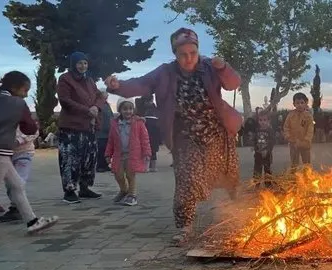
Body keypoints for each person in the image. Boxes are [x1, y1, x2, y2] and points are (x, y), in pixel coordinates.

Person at [105, 27, 242, 245]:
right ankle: (184, 226)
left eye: (193, 53)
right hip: (186, 135)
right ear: (175, 54)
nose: (188, 59)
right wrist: (118, 86)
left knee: (227, 176)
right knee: (187, 179)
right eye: (183, 54)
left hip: (217, 132)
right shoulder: (165, 72)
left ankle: (238, 215)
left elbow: (234, 83)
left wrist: (223, 67)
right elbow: (141, 84)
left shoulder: (209, 67)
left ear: (198, 51)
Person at [0, 71, 59, 245]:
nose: (26, 94)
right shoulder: (18, 104)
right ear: (14, 88)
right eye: (25, 90)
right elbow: (29, 129)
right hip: (0, 150)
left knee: (17, 185)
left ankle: (32, 222)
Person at [57, 52, 105, 203]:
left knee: (89, 159)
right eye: (79, 63)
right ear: (73, 64)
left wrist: (96, 107)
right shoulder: (65, 79)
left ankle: (85, 187)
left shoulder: (90, 80)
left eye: (85, 63)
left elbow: (99, 96)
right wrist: (86, 110)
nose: (83, 66)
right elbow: (65, 100)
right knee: (70, 159)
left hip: (89, 126)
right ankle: (69, 191)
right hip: (71, 127)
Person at [104, 100, 151, 206]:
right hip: (119, 154)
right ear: (120, 110)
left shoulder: (139, 123)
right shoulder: (115, 124)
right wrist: (108, 154)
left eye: (130, 109)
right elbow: (111, 140)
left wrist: (147, 152)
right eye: (125, 109)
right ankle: (124, 190)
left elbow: (145, 139)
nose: (128, 111)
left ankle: (132, 194)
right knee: (118, 174)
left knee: (131, 175)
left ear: (133, 110)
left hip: (133, 154)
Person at [0, 127, 39, 223]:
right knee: (9, 183)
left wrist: (19, 140)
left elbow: (34, 131)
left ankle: (18, 208)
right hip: (8, 154)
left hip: (24, 153)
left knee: (18, 182)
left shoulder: (23, 114)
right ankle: (15, 207)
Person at [284, 93, 314, 169]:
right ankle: (293, 178)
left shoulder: (308, 116)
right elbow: (286, 127)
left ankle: (307, 178)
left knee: (306, 163)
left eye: (302, 102)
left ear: (306, 103)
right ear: (294, 104)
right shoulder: (291, 115)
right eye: (297, 103)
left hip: (305, 144)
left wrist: (306, 140)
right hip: (293, 143)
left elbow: (310, 130)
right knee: (294, 164)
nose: (300, 105)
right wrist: (288, 136)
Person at [253, 112, 275, 188]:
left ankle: (268, 185)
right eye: (260, 120)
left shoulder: (270, 131)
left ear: (268, 121)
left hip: (267, 154)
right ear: (258, 121)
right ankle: (256, 184)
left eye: (265, 120)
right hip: (258, 154)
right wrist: (255, 148)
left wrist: (268, 150)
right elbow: (255, 140)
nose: (262, 122)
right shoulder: (257, 130)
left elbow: (272, 142)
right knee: (257, 170)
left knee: (267, 170)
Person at [96, 90, 114, 173]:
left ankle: (105, 165)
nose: (106, 97)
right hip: (100, 132)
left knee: (107, 149)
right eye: (105, 96)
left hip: (108, 131)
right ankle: (100, 166)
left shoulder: (107, 105)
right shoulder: (99, 104)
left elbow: (110, 116)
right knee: (101, 149)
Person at [143, 98, 161, 172]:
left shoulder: (145, 111)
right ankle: (153, 167)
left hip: (148, 135)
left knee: (147, 151)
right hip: (155, 136)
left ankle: (147, 167)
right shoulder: (156, 111)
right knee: (153, 152)